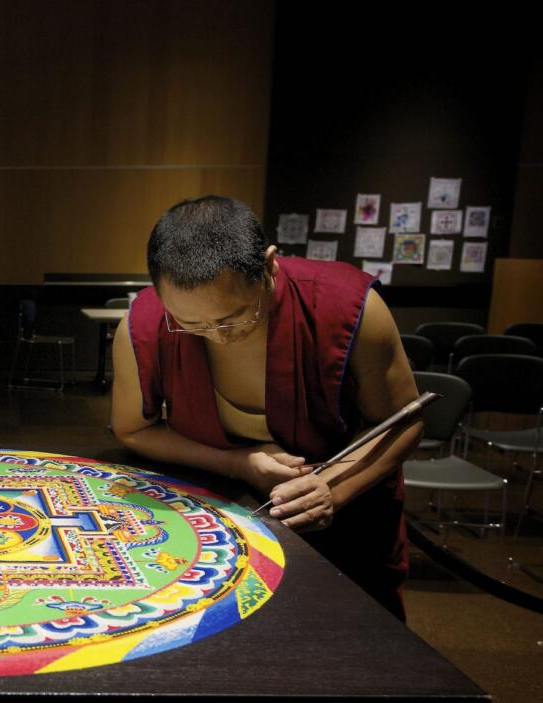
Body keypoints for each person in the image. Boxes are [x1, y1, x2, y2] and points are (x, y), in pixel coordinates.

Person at [112, 196, 421, 620]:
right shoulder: (145, 322)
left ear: (270, 265)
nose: (216, 336)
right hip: (211, 525)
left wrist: (332, 485)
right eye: (191, 323)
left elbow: (404, 421)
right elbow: (132, 430)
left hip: (343, 520)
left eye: (235, 317)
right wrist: (238, 463)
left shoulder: (346, 306)